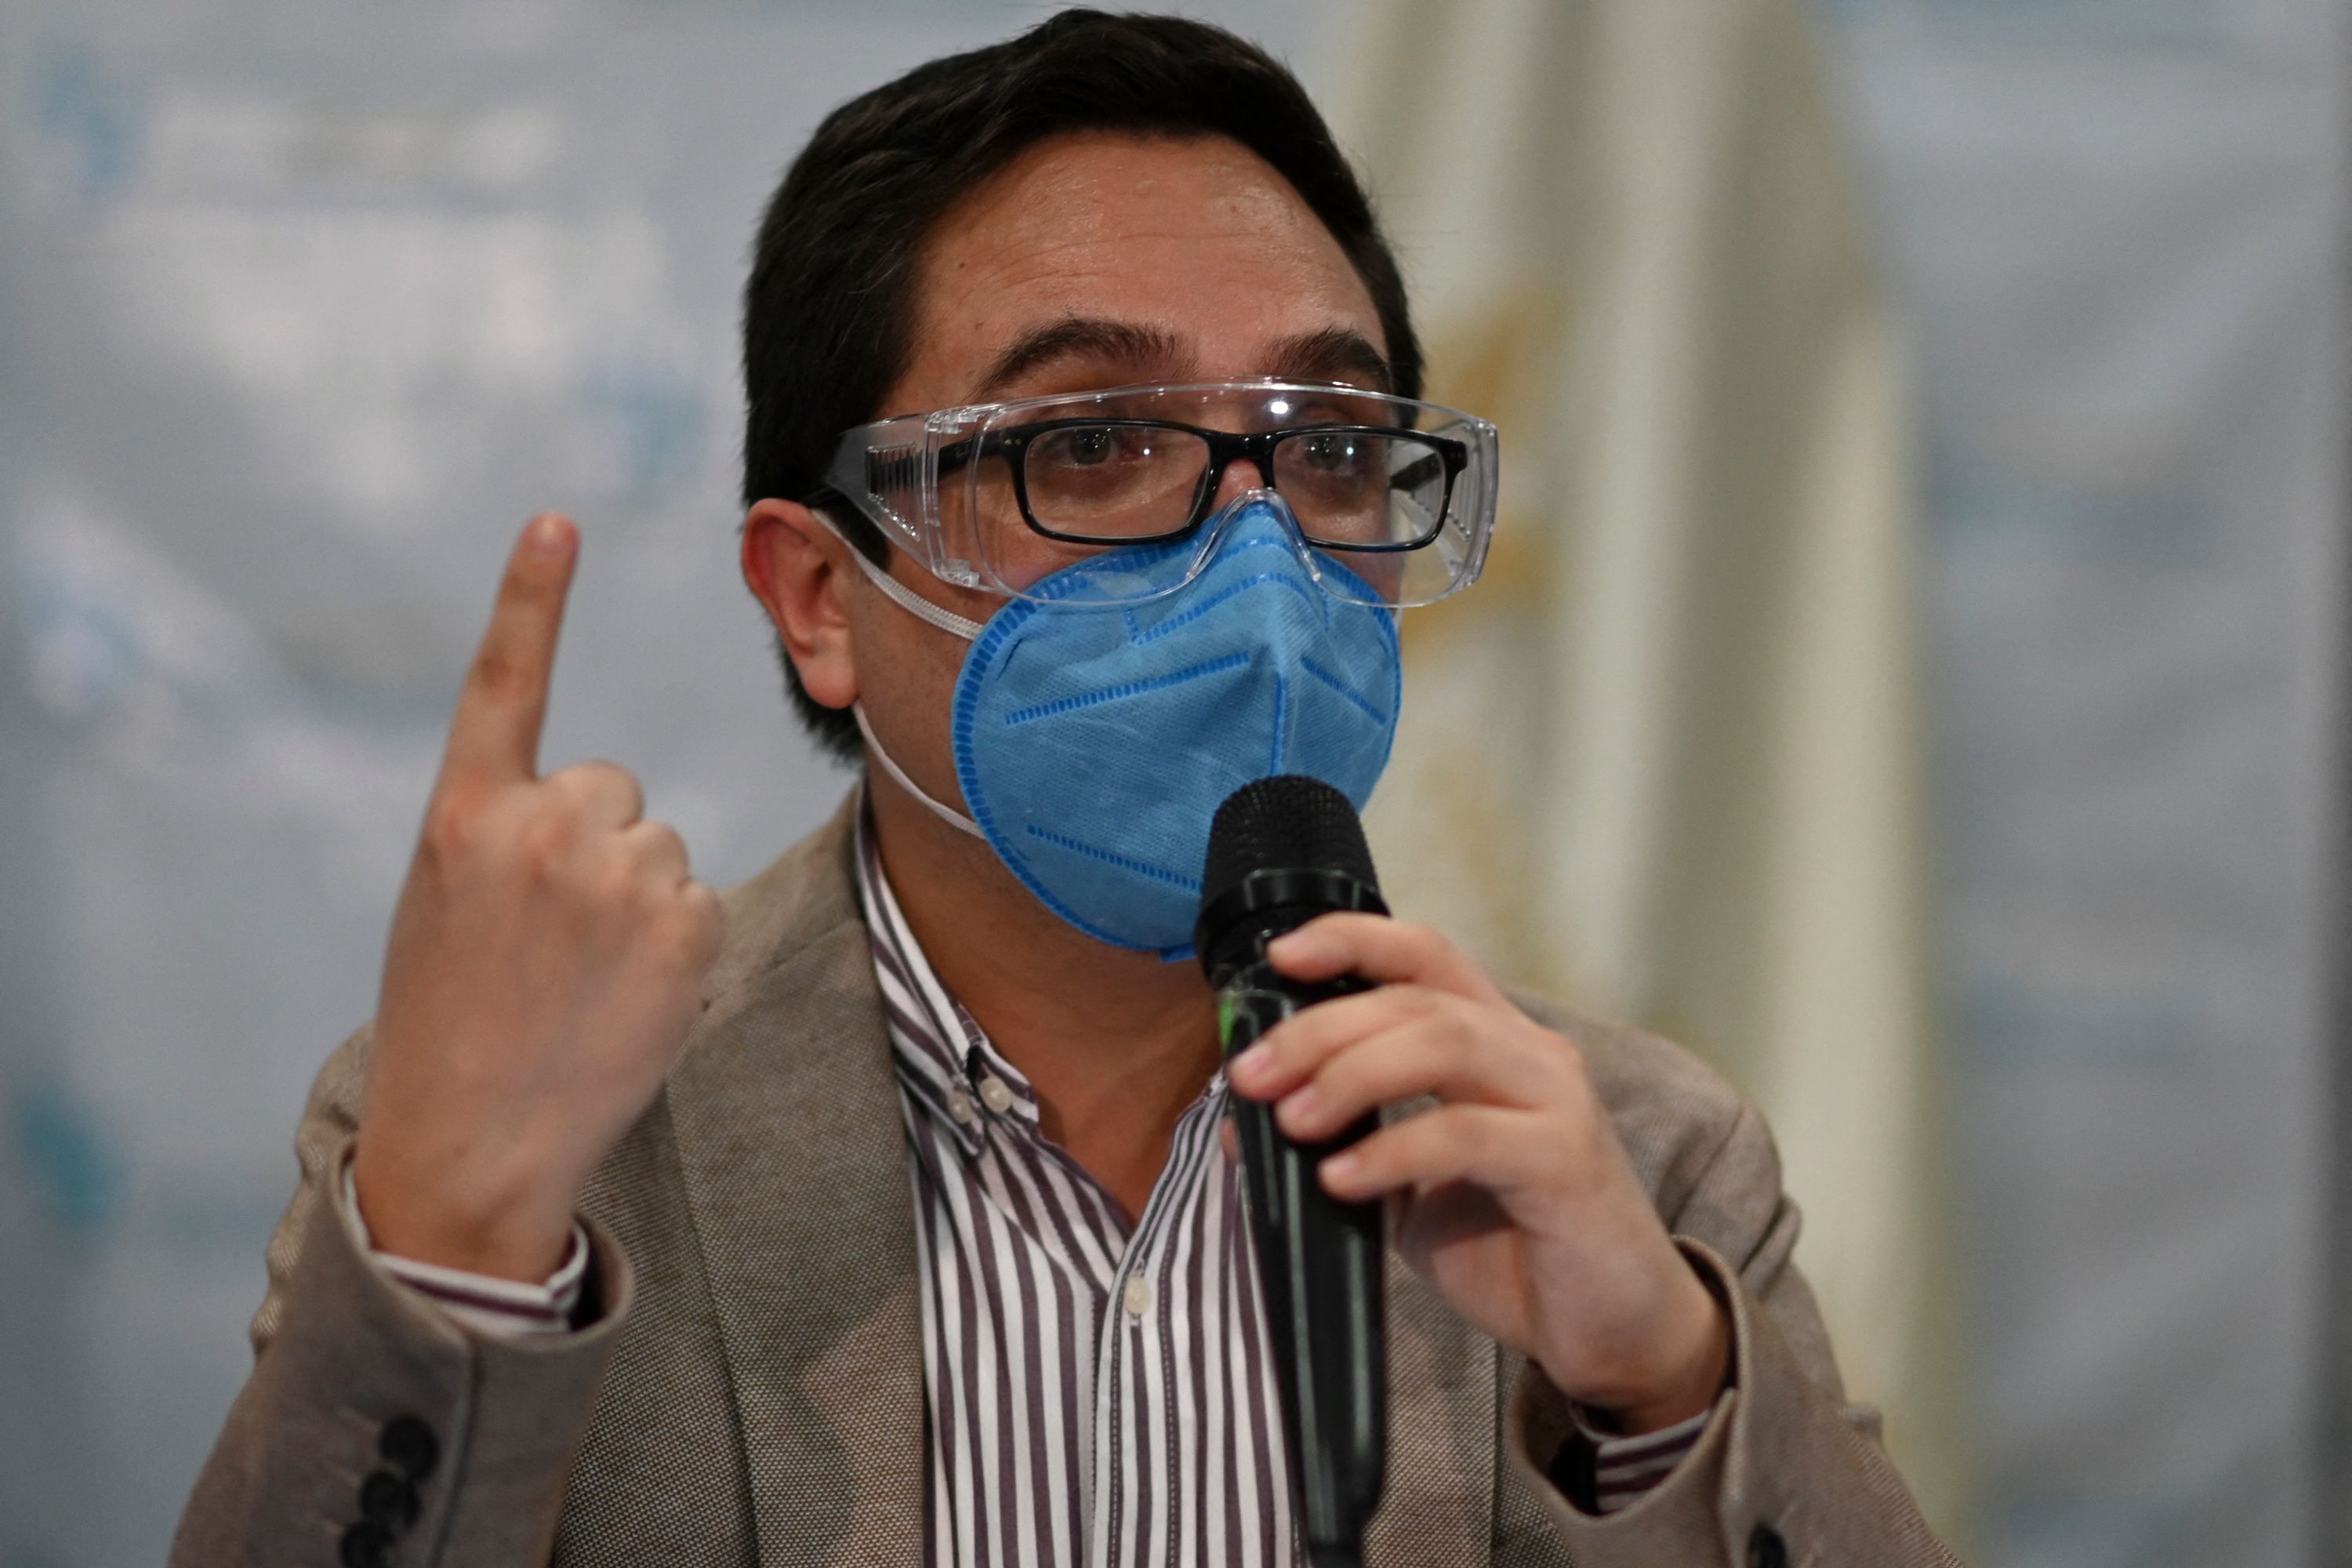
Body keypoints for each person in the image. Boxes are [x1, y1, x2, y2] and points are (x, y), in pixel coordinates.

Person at [172, 11, 1958, 1567]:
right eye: (1094, 442)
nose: (1262, 562)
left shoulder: (1630, 1161)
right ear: (819, 598)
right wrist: (456, 1263)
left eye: (1332, 450)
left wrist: (1660, 1390)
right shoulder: (545, 1131)